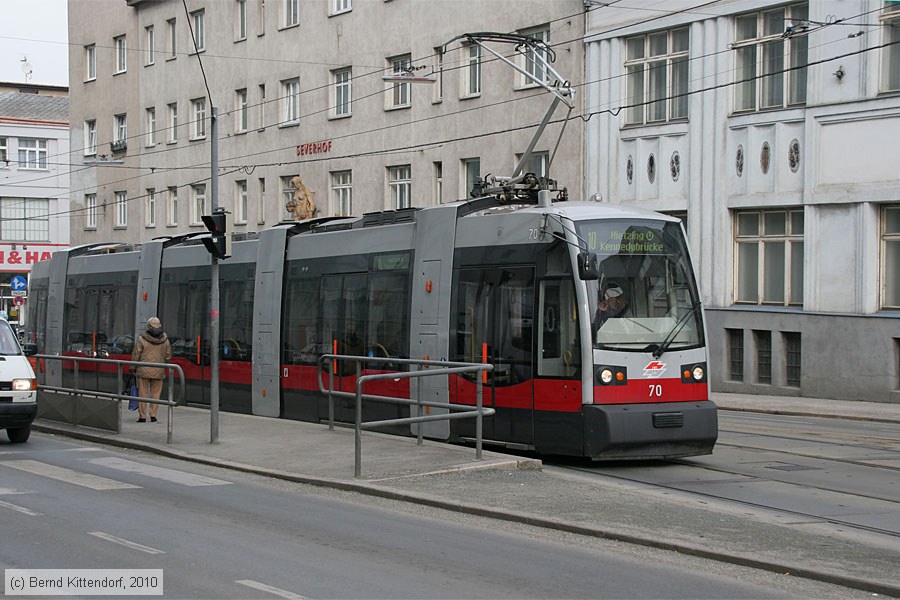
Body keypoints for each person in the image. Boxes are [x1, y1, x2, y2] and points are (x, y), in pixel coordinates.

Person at [131, 317, 172, 423]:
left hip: (143, 370)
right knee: (155, 394)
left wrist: (132, 367)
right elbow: (168, 355)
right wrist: (164, 364)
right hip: (159, 370)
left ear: (148, 326)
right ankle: (153, 415)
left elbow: (136, 355)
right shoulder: (165, 340)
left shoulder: (142, 339)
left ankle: (142, 416)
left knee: (143, 393)